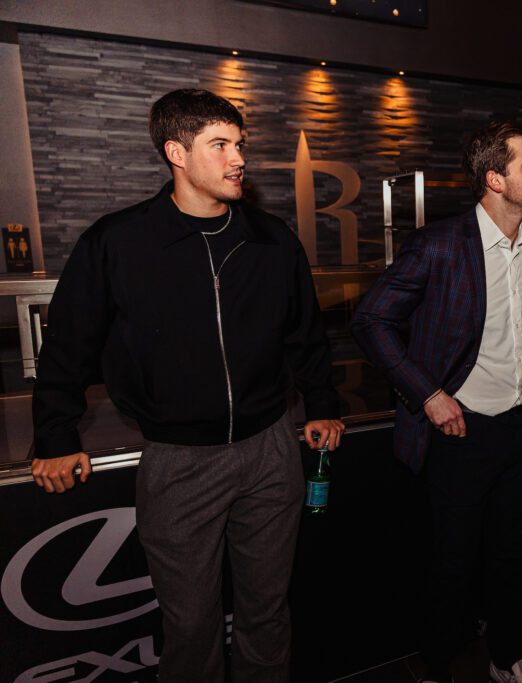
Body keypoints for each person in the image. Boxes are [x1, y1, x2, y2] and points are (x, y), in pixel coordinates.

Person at [31, 88, 344, 682]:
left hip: (271, 450)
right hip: (177, 462)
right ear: (176, 152)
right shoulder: (118, 243)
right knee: (192, 628)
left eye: (240, 144)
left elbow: (305, 334)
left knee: (267, 614)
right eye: (220, 145)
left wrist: (323, 404)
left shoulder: (272, 240)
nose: (238, 158)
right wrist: (54, 434)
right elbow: (67, 347)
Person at [351, 120, 522, 683]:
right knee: (453, 561)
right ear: (495, 179)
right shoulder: (441, 245)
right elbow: (371, 319)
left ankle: (506, 657)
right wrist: (428, 394)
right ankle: (438, 666)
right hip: (463, 434)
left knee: (512, 553)